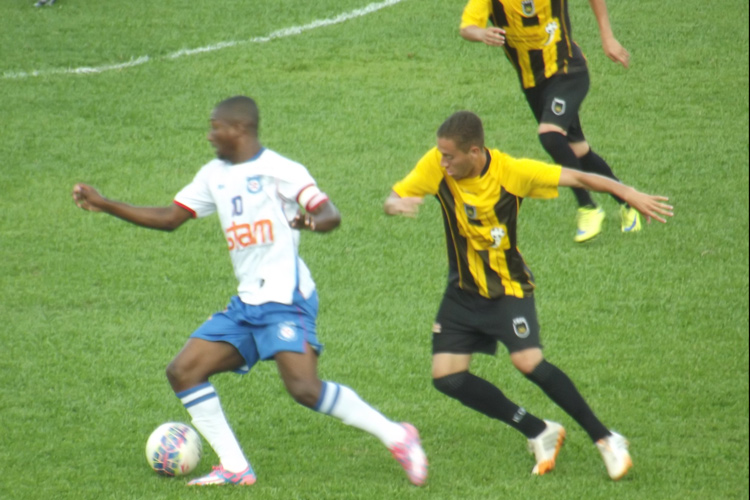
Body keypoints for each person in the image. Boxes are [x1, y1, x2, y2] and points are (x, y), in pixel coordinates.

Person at [72, 96, 427, 487]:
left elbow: (330, 215)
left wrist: (306, 222)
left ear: (239, 129)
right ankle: (235, 467)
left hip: (286, 299)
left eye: (215, 127)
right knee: (184, 371)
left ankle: (398, 436)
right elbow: (171, 218)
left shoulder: (281, 171)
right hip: (248, 303)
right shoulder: (213, 175)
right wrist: (105, 204)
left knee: (305, 389)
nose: (210, 135)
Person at [383, 111, 672, 480]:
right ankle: (538, 430)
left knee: (528, 362)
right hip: (462, 292)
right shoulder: (437, 167)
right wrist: (397, 205)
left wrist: (627, 192)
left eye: (449, 156)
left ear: (474, 151)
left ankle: (606, 438)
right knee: (447, 378)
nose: (442, 162)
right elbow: (393, 197)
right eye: (440, 155)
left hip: (508, 290)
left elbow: (577, 176)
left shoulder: (512, 173)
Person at [459, 0, 637, 243]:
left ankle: (588, 207)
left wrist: (607, 37)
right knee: (578, 151)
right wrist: (482, 33)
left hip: (567, 71)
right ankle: (629, 204)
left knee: (550, 134)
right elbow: (467, 26)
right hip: (534, 85)